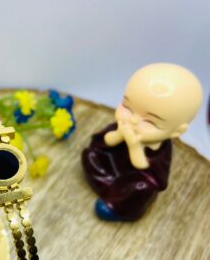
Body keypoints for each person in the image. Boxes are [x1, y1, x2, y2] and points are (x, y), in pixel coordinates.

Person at [82, 63, 203, 221]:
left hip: (133, 179)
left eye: (150, 122)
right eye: (127, 107)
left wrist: (134, 145)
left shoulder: (160, 148)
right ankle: (109, 188)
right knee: (90, 155)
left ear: (176, 131)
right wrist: (119, 134)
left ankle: (116, 204)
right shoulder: (122, 125)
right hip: (111, 166)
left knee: (142, 188)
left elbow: (150, 173)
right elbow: (105, 141)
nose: (132, 120)